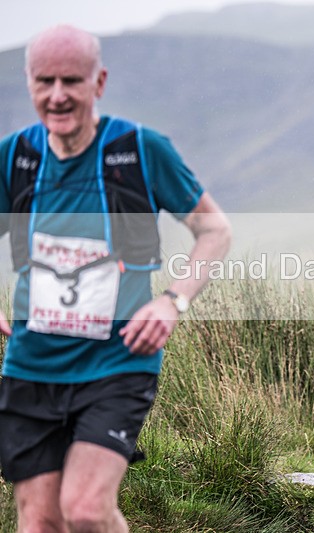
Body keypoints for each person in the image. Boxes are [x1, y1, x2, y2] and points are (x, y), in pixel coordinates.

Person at [0, 25, 231, 531]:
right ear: (29, 83)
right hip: (32, 366)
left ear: (98, 82)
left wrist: (172, 301)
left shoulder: (140, 151)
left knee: (84, 509)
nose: (57, 96)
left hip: (117, 363)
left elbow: (215, 230)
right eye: (44, 82)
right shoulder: (15, 157)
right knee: (38, 521)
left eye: (71, 81)